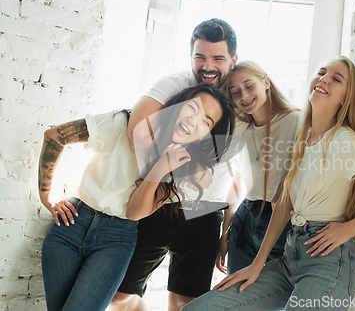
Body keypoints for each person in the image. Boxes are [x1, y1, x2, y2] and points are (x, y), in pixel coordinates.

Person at [181, 56, 355, 311]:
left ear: (345, 98)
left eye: (336, 79)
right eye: (322, 72)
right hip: (291, 255)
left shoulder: (345, 141)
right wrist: (257, 264)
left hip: (327, 260)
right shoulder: (305, 137)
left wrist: (348, 230)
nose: (324, 79)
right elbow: (285, 203)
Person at [39, 83, 235, 311]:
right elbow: (54, 136)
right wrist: (47, 195)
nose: (194, 120)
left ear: (207, 134)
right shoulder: (124, 123)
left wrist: (159, 169)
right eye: (193, 108)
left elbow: (134, 212)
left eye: (206, 122)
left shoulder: (184, 167)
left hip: (117, 238)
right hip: (71, 224)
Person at [108, 18, 244, 311]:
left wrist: (226, 226)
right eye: (200, 57)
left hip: (206, 212)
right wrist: (185, 168)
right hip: (161, 200)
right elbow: (137, 130)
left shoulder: (244, 94)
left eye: (218, 58)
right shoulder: (176, 84)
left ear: (233, 60)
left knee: (185, 304)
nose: (207, 66)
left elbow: (241, 170)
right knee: (120, 295)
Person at [215, 60, 301, 275]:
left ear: (266, 82)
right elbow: (237, 182)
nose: (243, 96)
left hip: (282, 220)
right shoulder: (243, 130)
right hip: (245, 217)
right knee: (235, 296)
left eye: (249, 86)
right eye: (235, 92)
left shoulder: (297, 121)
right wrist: (224, 235)